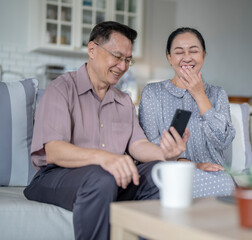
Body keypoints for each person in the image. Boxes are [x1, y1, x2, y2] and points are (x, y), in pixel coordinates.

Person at [24, 21, 189, 240]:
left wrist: (167, 154)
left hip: (107, 179)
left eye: (128, 60)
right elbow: (54, 150)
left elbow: (137, 145)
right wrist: (106, 159)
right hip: (55, 176)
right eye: (117, 56)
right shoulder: (61, 88)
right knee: (102, 178)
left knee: (159, 173)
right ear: (92, 50)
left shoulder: (123, 101)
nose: (123, 66)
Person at [139, 27, 236, 198]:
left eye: (193, 51)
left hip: (214, 173)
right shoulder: (152, 93)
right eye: (179, 52)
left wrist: (199, 94)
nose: (187, 57)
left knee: (225, 184)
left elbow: (223, 141)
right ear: (169, 58)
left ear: (203, 55)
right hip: (172, 171)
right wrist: (191, 165)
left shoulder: (217, 93)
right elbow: (149, 145)